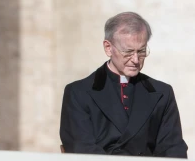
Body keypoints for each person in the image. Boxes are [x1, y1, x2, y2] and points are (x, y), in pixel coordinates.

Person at [60, 12, 188, 158]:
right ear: (108, 48)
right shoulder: (78, 93)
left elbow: (173, 148)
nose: (135, 59)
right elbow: (81, 148)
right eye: (128, 52)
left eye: (141, 51)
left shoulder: (162, 93)